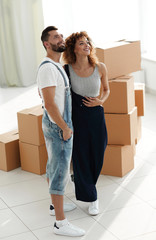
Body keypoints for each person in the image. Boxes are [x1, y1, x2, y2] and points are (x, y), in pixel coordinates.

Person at [37, 26, 85, 237]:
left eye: (61, 35)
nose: (61, 38)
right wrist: (65, 128)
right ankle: (60, 223)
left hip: (56, 125)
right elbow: (49, 103)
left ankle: (53, 206)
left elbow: (46, 95)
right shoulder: (48, 68)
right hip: (59, 126)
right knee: (59, 173)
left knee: (53, 166)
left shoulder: (55, 66)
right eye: (55, 37)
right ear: (47, 44)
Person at [63, 31, 110, 216]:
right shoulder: (67, 69)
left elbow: (106, 89)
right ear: (73, 49)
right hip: (78, 119)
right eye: (81, 43)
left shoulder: (100, 67)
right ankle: (92, 197)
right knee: (81, 156)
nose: (86, 45)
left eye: (87, 42)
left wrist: (101, 101)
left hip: (96, 117)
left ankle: (83, 181)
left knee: (97, 154)